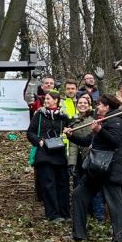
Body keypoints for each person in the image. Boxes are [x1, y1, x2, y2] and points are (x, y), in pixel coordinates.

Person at [69, 94, 122, 242]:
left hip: (110, 169)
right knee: (78, 195)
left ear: (107, 107)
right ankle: (79, 235)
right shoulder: (102, 121)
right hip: (95, 169)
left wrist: (100, 130)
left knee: (115, 204)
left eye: (100, 105)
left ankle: (120, 240)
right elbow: (87, 141)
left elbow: (115, 142)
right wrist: (71, 136)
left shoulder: (116, 121)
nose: (97, 107)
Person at [26, 91, 70, 222]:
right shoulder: (39, 115)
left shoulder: (63, 116)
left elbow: (71, 129)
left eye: (49, 99)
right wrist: (40, 141)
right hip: (44, 154)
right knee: (48, 184)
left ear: (56, 100)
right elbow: (30, 132)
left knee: (63, 184)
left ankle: (65, 213)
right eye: (45, 99)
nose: (46, 100)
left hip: (59, 153)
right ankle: (53, 214)